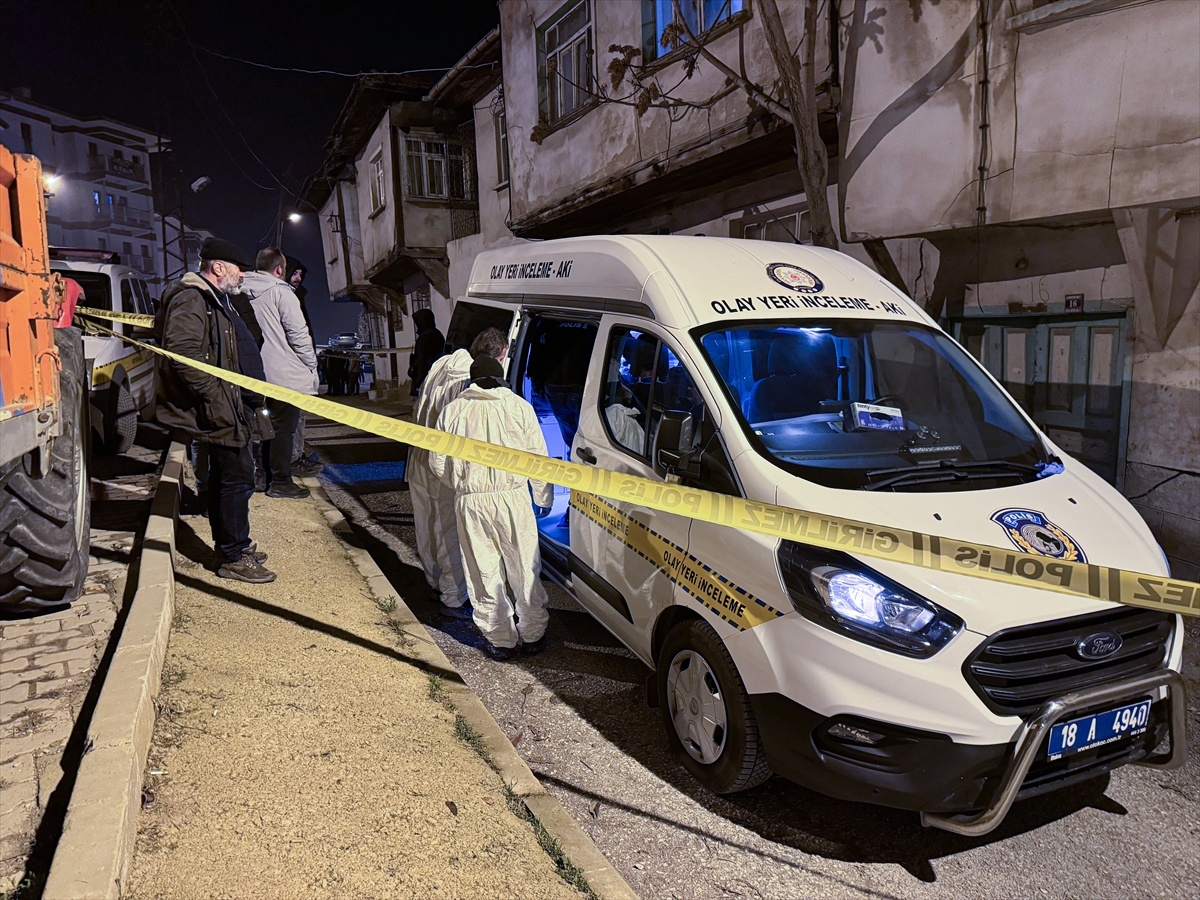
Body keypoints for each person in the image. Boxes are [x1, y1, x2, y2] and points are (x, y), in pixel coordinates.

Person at [155, 237, 275, 584]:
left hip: (229, 402)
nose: (243, 276)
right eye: (239, 269)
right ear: (218, 267)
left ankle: (236, 545)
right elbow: (183, 354)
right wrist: (215, 397)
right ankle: (232, 556)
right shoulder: (192, 297)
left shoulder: (214, 297)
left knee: (234, 477)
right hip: (221, 406)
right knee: (234, 480)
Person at [430, 354, 553, 661]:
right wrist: (543, 497)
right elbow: (538, 457)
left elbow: (437, 462)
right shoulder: (518, 407)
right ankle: (533, 634)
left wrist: (460, 484)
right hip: (513, 498)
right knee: (524, 567)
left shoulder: (453, 410)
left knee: (483, 571)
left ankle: (500, 640)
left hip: (471, 501)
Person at [410, 327, 508, 619]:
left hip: (420, 457)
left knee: (428, 524)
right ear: (498, 358)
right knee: (450, 532)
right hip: (446, 465)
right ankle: (452, 597)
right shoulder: (469, 381)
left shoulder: (443, 364)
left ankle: (436, 582)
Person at [241, 247, 319, 500]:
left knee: (264, 429)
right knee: (283, 430)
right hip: (284, 374)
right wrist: (311, 365)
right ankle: (281, 481)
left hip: (253, 371)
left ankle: (263, 477)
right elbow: (298, 333)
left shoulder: (240, 290)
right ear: (279, 269)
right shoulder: (281, 292)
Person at [408, 308, 444, 397]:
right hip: (438, 377)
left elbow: (422, 361)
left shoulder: (425, 337)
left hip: (427, 379)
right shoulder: (437, 334)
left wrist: (418, 382)